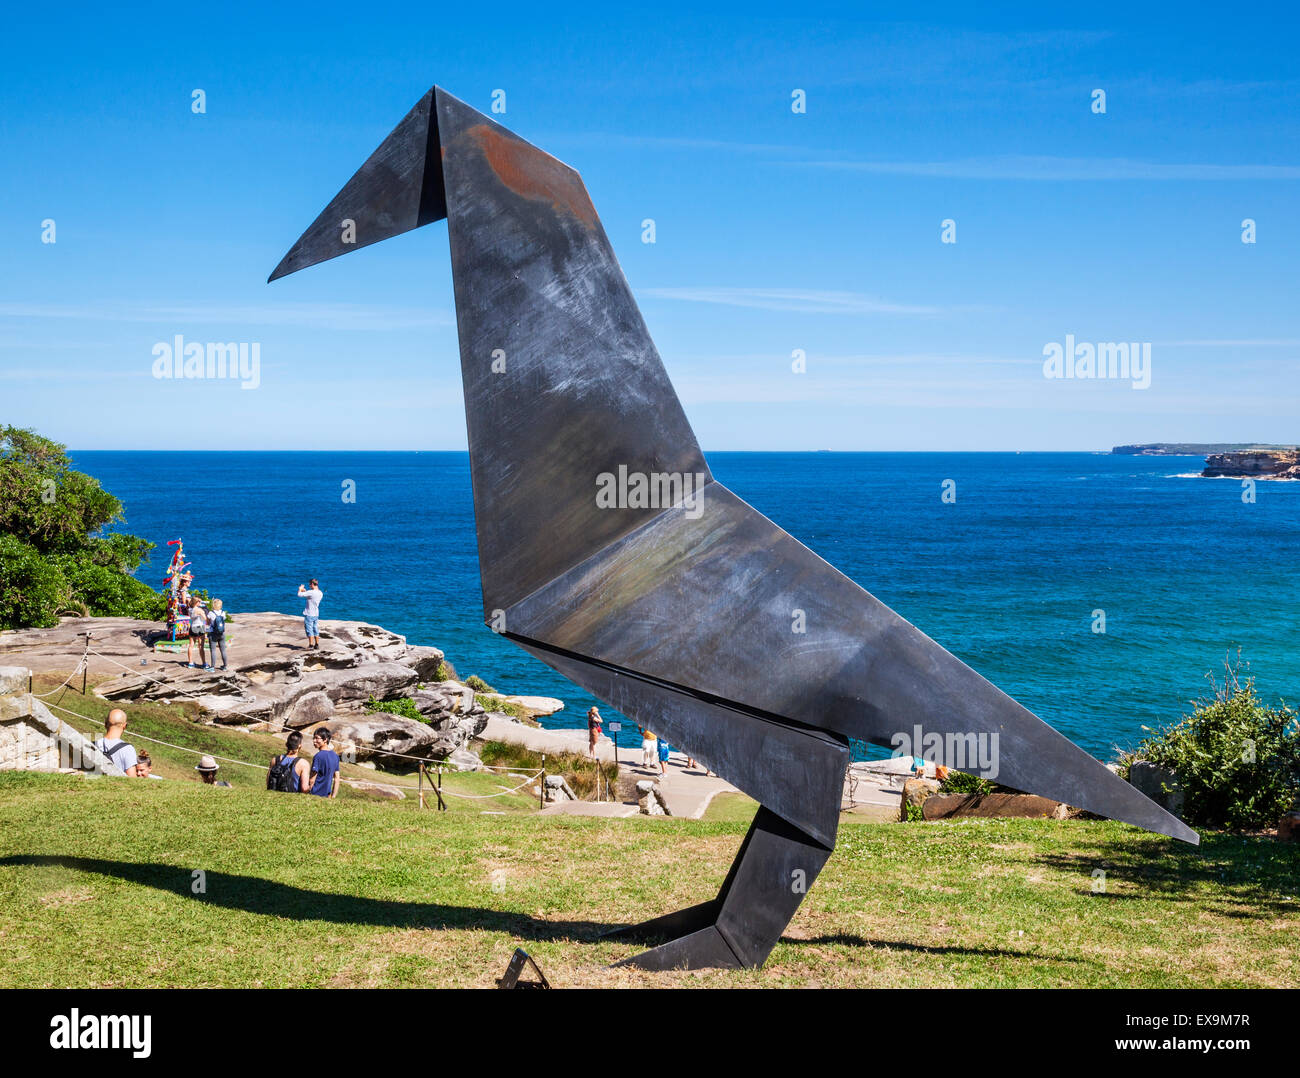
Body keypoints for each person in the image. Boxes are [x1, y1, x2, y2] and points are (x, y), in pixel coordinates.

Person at [93, 708, 138, 777]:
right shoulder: (128, 749)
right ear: (124, 726)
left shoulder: (92, 745)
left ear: (105, 724)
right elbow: (132, 778)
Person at [308, 727, 340, 798]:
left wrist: (308, 791)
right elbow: (337, 779)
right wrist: (333, 796)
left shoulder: (318, 756)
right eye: (313, 738)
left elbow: (312, 779)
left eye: (317, 738)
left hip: (315, 794)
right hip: (327, 796)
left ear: (325, 739)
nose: (314, 741)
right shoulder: (335, 756)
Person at [297, 579, 323, 649]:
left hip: (309, 614)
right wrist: (305, 591)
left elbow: (299, 595)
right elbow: (310, 596)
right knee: (315, 628)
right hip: (316, 614)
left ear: (312, 584)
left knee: (309, 629)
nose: (309, 585)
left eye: (309, 584)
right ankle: (317, 644)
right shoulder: (320, 593)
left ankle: (311, 645)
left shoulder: (311, 592)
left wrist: (300, 589)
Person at [207, 599, 229, 671]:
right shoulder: (223, 613)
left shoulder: (210, 613)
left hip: (213, 633)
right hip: (222, 633)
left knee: (213, 650)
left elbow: (208, 623)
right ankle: (225, 666)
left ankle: (212, 667)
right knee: (223, 650)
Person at [186, 598, 208, 669]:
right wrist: (204, 610)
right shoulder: (199, 610)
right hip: (199, 627)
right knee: (201, 646)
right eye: (199, 601)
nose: (200, 602)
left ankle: (190, 663)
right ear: (196, 602)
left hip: (192, 627)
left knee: (191, 645)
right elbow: (205, 618)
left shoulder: (189, 609)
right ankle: (204, 663)